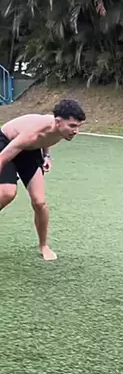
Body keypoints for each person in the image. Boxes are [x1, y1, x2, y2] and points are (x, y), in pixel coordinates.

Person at [0, 99, 86, 260]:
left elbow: (47, 138)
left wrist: (46, 156)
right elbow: (3, 158)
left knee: (39, 202)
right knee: (7, 193)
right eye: (72, 126)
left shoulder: (59, 129)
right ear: (58, 122)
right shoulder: (33, 134)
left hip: (30, 150)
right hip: (6, 143)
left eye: (78, 126)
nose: (76, 131)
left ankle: (43, 245)